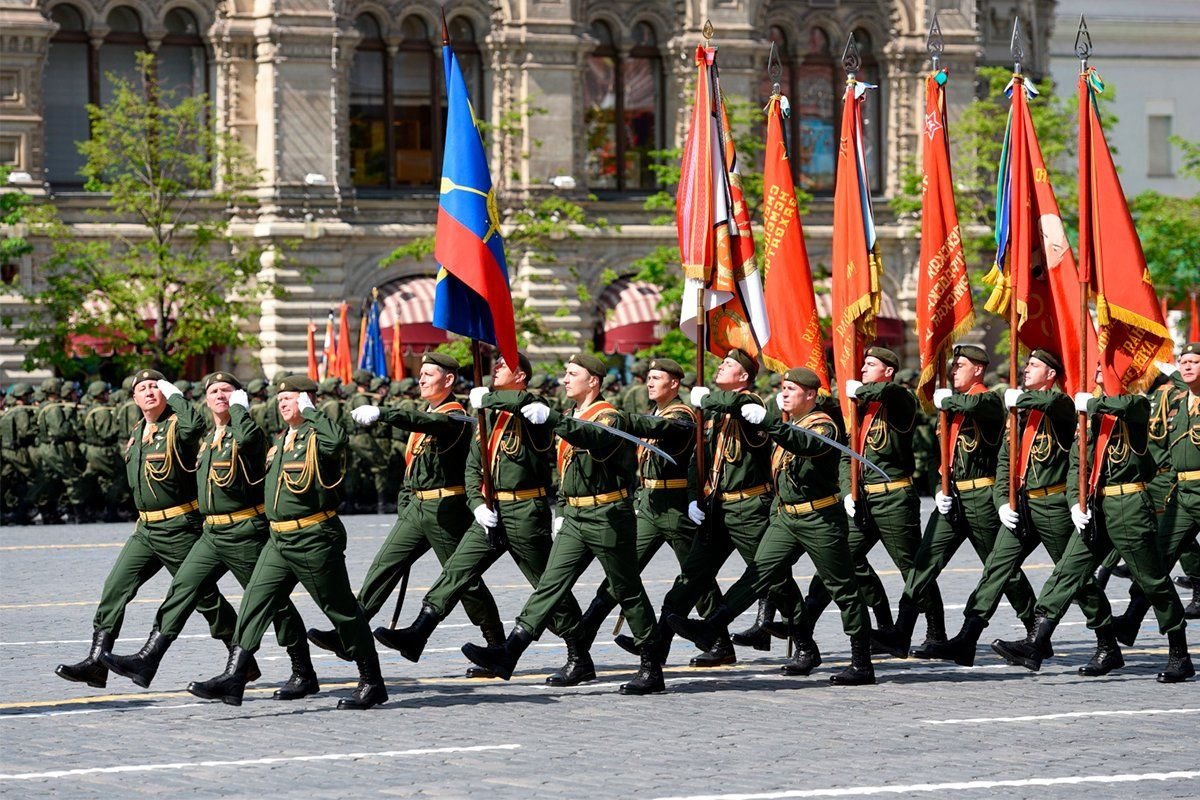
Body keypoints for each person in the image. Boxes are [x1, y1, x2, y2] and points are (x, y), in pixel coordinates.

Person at [378, 351, 593, 685]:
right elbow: (473, 466)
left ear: (521, 376)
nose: (495, 368)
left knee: (546, 586)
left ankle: (579, 655)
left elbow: (526, 406)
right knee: (457, 570)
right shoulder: (489, 416)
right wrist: (477, 502)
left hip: (524, 512)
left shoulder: (532, 410)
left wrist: (490, 397)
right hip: (491, 512)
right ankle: (418, 633)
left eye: (503, 366)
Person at [460, 353, 667, 695]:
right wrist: (560, 508)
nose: (565, 379)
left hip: (607, 516)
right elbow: (565, 469)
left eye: (573, 373)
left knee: (627, 588)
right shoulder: (572, 413)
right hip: (574, 516)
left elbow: (593, 438)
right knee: (550, 585)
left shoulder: (608, 415)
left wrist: (553, 418)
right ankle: (510, 653)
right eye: (565, 373)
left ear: (594, 382)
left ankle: (650, 664)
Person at [101, 372, 319, 698]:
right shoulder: (207, 438)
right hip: (211, 532)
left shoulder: (246, 430)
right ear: (206, 399)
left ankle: (303, 671)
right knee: (183, 588)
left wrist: (234, 408)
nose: (220, 395)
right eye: (214, 391)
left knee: (271, 603)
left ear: (239, 396)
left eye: (227, 390)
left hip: (245, 531)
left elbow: (247, 440)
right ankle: (149, 658)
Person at [187, 375, 385, 709]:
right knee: (255, 600)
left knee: (340, 610)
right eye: (280, 400)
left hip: (313, 537)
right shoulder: (282, 440)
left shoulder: (316, 435)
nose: (282, 404)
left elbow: (337, 442)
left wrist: (314, 414)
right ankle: (234, 676)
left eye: (290, 398)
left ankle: (372, 679)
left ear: (307, 401)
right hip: (278, 538)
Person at [669, 367, 876, 684]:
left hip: (820, 518)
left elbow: (803, 444)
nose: (785, 392)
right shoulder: (787, 424)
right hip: (786, 517)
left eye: (792, 388)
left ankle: (861, 661)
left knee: (842, 588)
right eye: (783, 386)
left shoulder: (823, 424)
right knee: (758, 574)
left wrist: (766, 420)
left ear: (810, 395)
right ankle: (712, 625)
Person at [306, 353, 504, 672]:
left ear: (449, 380)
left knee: (463, 580)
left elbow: (427, 423)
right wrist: (405, 500)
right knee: (384, 566)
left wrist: (383, 413)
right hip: (417, 506)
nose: (421, 379)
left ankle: (496, 645)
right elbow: (413, 465)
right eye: (421, 373)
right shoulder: (426, 413)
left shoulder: (451, 415)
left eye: (429, 374)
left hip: (446, 509)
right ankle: (349, 634)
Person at [990, 377, 1193, 682]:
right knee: (1067, 572)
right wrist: (1075, 502)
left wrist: (1089, 404)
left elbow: (1128, 407)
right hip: (1095, 506)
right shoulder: (1089, 420)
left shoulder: (1135, 406)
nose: (1098, 376)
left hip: (1129, 505)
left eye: (1104, 372)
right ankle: (1036, 642)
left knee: (1152, 581)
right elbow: (1077, 466)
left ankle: (1180, 654)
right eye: (1096, 371)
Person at [922, 350, 1114, 667]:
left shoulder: (1061, 407)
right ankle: (967, 638)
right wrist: (1001, 501)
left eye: (1034, 366)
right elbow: (1004, 461)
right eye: (1025, 364)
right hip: (1021, 505)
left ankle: (1107, 643)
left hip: (1052, 504)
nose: (1025, 370)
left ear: (1051, 374)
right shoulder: (1020, 413)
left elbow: (1056, 405)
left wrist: (1017, 400)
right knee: (996, 569)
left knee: (1075, 581)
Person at [55, 370, 240, 690]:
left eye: (156, 386)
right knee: (115, 588)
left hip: (179, 527)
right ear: (134, 398)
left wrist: (176, 396)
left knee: (205, 599)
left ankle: (240, 658)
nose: (150, 392)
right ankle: (97, 662)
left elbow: (195, 424)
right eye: (143, 388)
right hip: (146, 529)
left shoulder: (176, 428)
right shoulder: (139, 429)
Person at [873, 344, 1038, 659]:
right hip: (952, 497)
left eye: (959, 365)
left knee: (1003, 569)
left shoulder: (986, 400)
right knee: (924, 562)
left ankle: (1034, 630)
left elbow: (981, 406)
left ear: (978, 369)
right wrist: (938, 486)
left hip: (981, 497)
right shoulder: (950, 409)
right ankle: (902, 631)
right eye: (952, 365)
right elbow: (946, 456)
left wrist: (946, 400)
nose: (952, 370)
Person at [571, 357, 724, 655]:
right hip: (650, 505)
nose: (650, 382)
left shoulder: (682, 414)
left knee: (695, 577)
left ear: (675, 383)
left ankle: (717, 639)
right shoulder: (657, 410)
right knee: (622, 571)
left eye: (657, 377)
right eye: (649, 377)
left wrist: (619, 418)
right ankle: (587, 630)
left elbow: (663, 429)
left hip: (676, 506)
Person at [654, 349, 785, 666]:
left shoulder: (750, 405)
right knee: (691, 576)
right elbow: (697, 461)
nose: (720, 366)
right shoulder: (711, 412)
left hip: (748, 508)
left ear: (743, 377)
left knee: (772, 579)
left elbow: (739, 405)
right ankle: (656, 649)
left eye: (729, 365)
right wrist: (692, 497)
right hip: (716, 509)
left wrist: (706, 400)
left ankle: (805, 643)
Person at [807, 347, 936, 640]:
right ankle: (804, 625)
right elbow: (846, 455)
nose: (863, 369)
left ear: (888, 371)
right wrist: (847, 491)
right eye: (863, 363)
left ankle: (935, 630)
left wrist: (864, 390)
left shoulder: (899, 401)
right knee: (839, 558)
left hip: (893, 497)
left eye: (871, 364)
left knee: (910, 567)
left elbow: (893, 395)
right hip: (863, 497)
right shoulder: (860, 410)